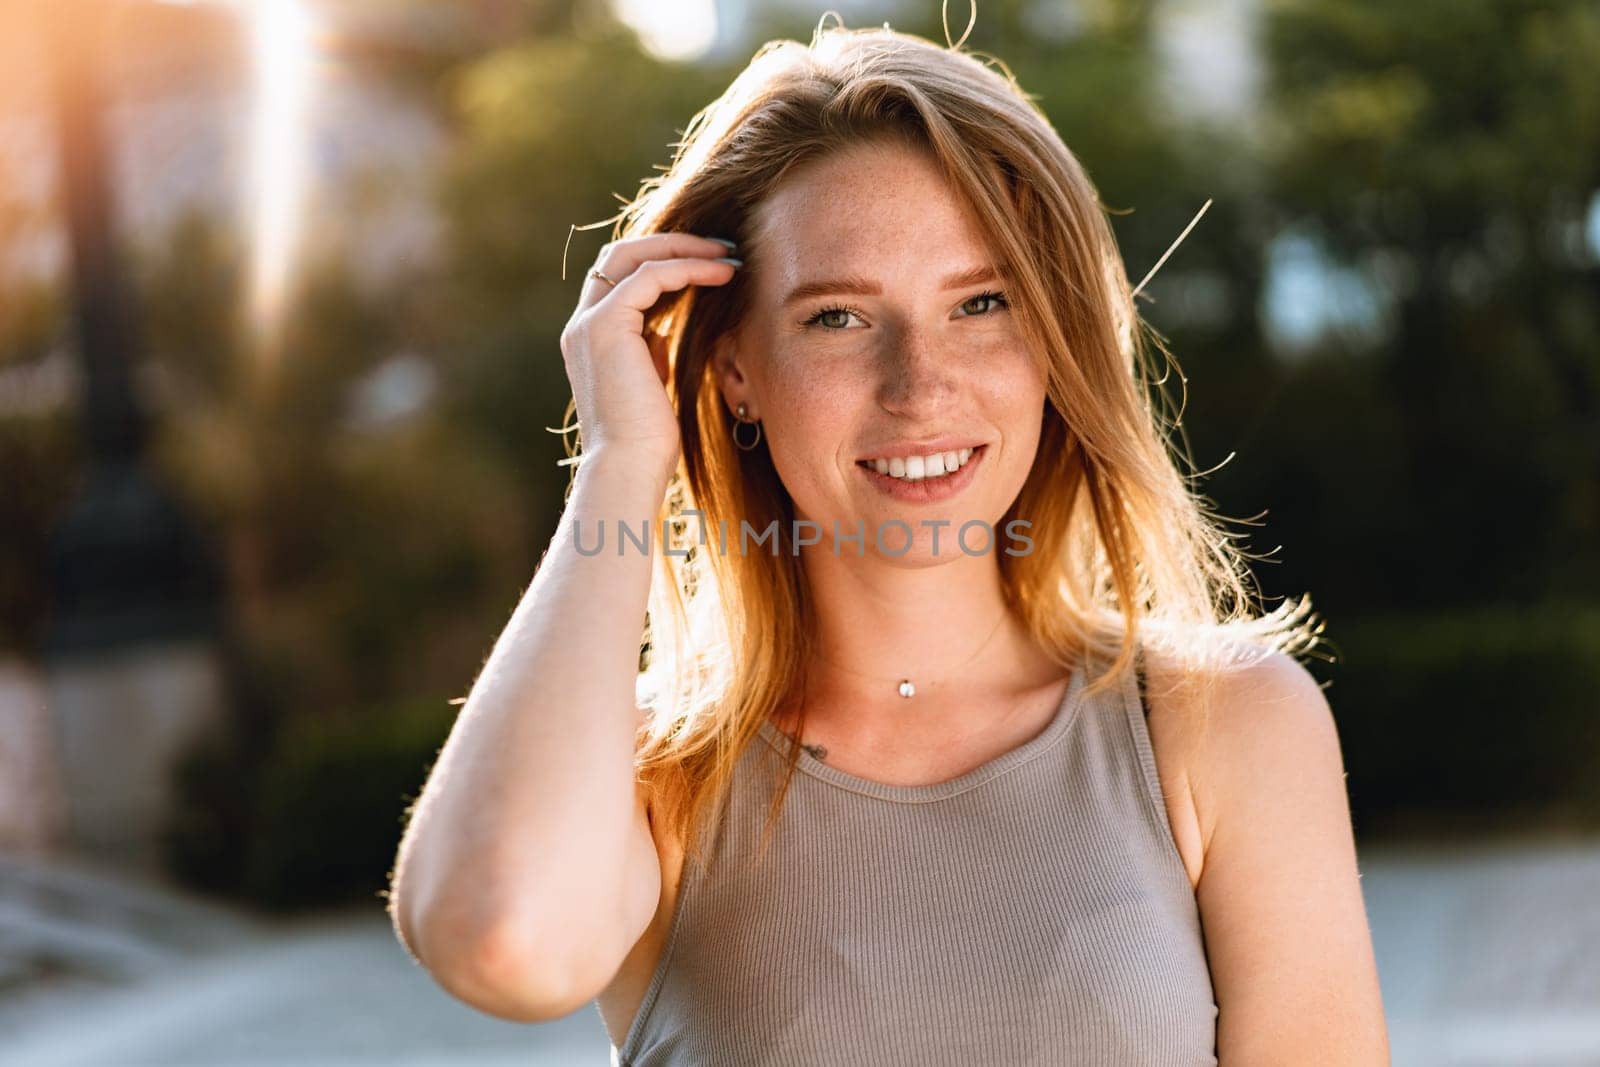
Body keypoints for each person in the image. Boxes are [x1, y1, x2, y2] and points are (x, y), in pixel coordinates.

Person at [387, 18, 1390, 1066]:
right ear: (735, 372)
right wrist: (619, 465)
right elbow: (498, 939)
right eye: (838, 318)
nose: (920, 385)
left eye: (982, 302)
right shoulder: (649, 782)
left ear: (1055, 342)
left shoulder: (1223, 726)